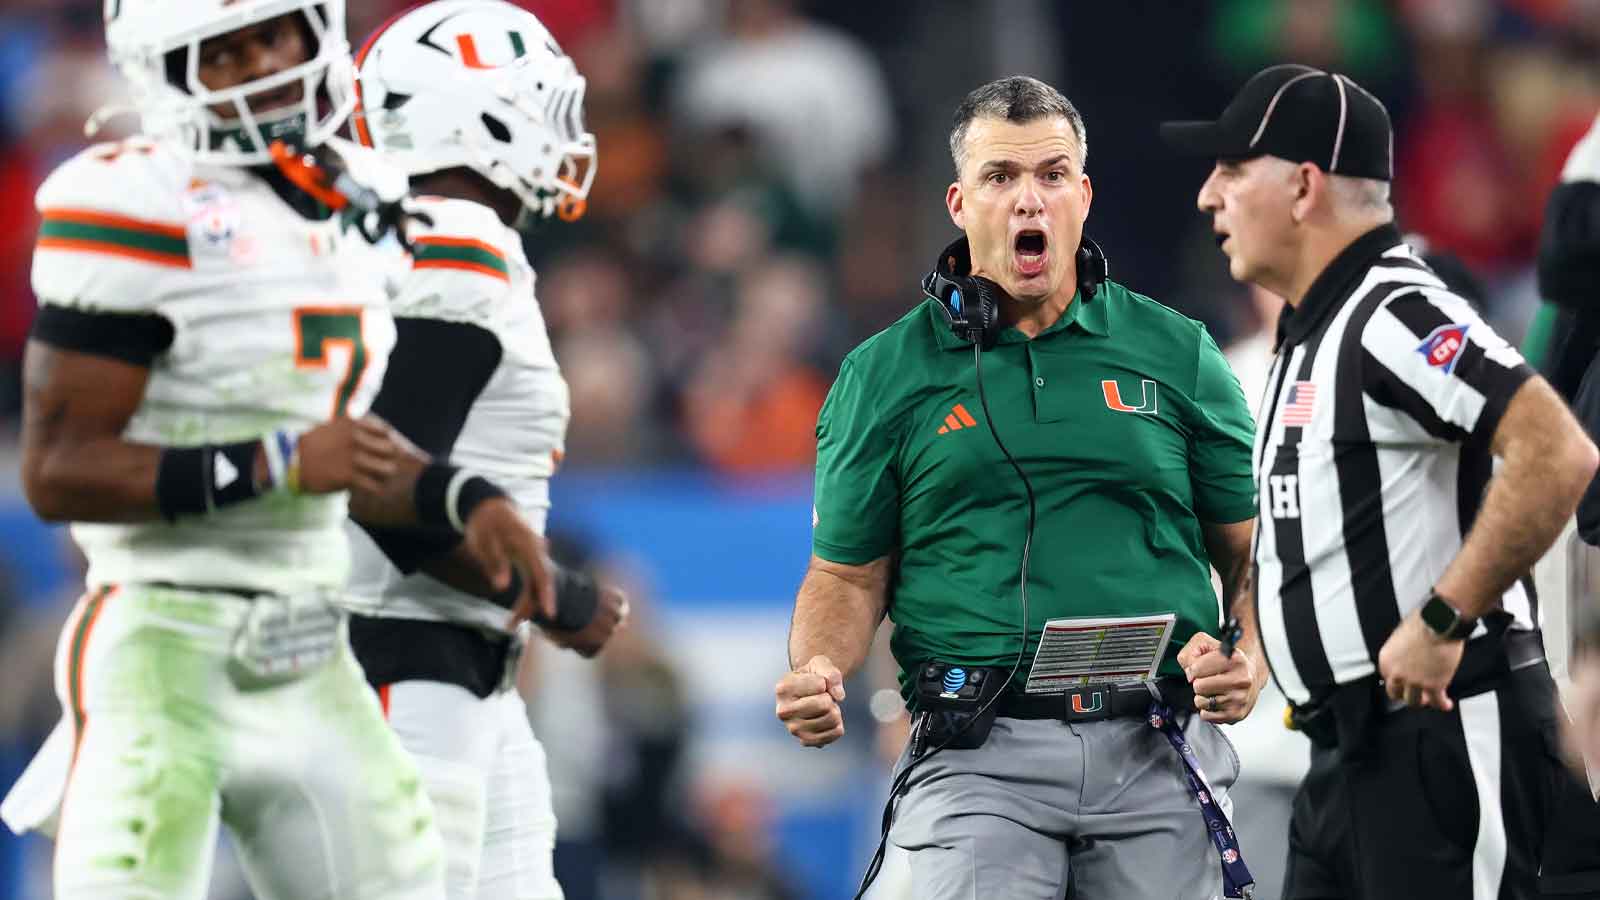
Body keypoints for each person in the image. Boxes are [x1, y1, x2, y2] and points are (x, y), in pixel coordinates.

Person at [0, 2, 559, 897]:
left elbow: (369, 443)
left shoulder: (372, 201)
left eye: (275, 34)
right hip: (170, 634)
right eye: (220, 53)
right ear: (168, 72)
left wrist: (464, 505)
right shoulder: (132, 200)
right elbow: (59, 470)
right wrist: (278, 463)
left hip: (312, 639)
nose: (261, 66)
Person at [775, 75, 1264, 900]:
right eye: (1002, 177)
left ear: (1084, 195)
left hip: (1157, 742)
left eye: (1051, 174)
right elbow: (847, 573)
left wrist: (1247, 653)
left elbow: (1250, 556)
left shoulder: (1178, 353)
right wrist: (819, 665)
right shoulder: (883, 375)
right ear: (960, 204)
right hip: (977, 756)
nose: (1028, 198)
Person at [1164, 62, 1600, 899]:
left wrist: (1444, 615)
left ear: (1302, 186)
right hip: (1341, 753)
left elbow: (1560, 451)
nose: (1208, 197)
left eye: (1230, 170)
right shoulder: (1305, 334)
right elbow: (1315, 537)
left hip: (1438, 735)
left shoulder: (1394, 307)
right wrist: (1252, 651)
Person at [345, 4, 627, 898]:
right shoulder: (458, 240)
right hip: (406, 671)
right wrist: (556, 596)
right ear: (480, 117)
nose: (563, 132)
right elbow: (379, 480)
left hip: (463, 677)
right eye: (541, 103)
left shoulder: (417, 239)